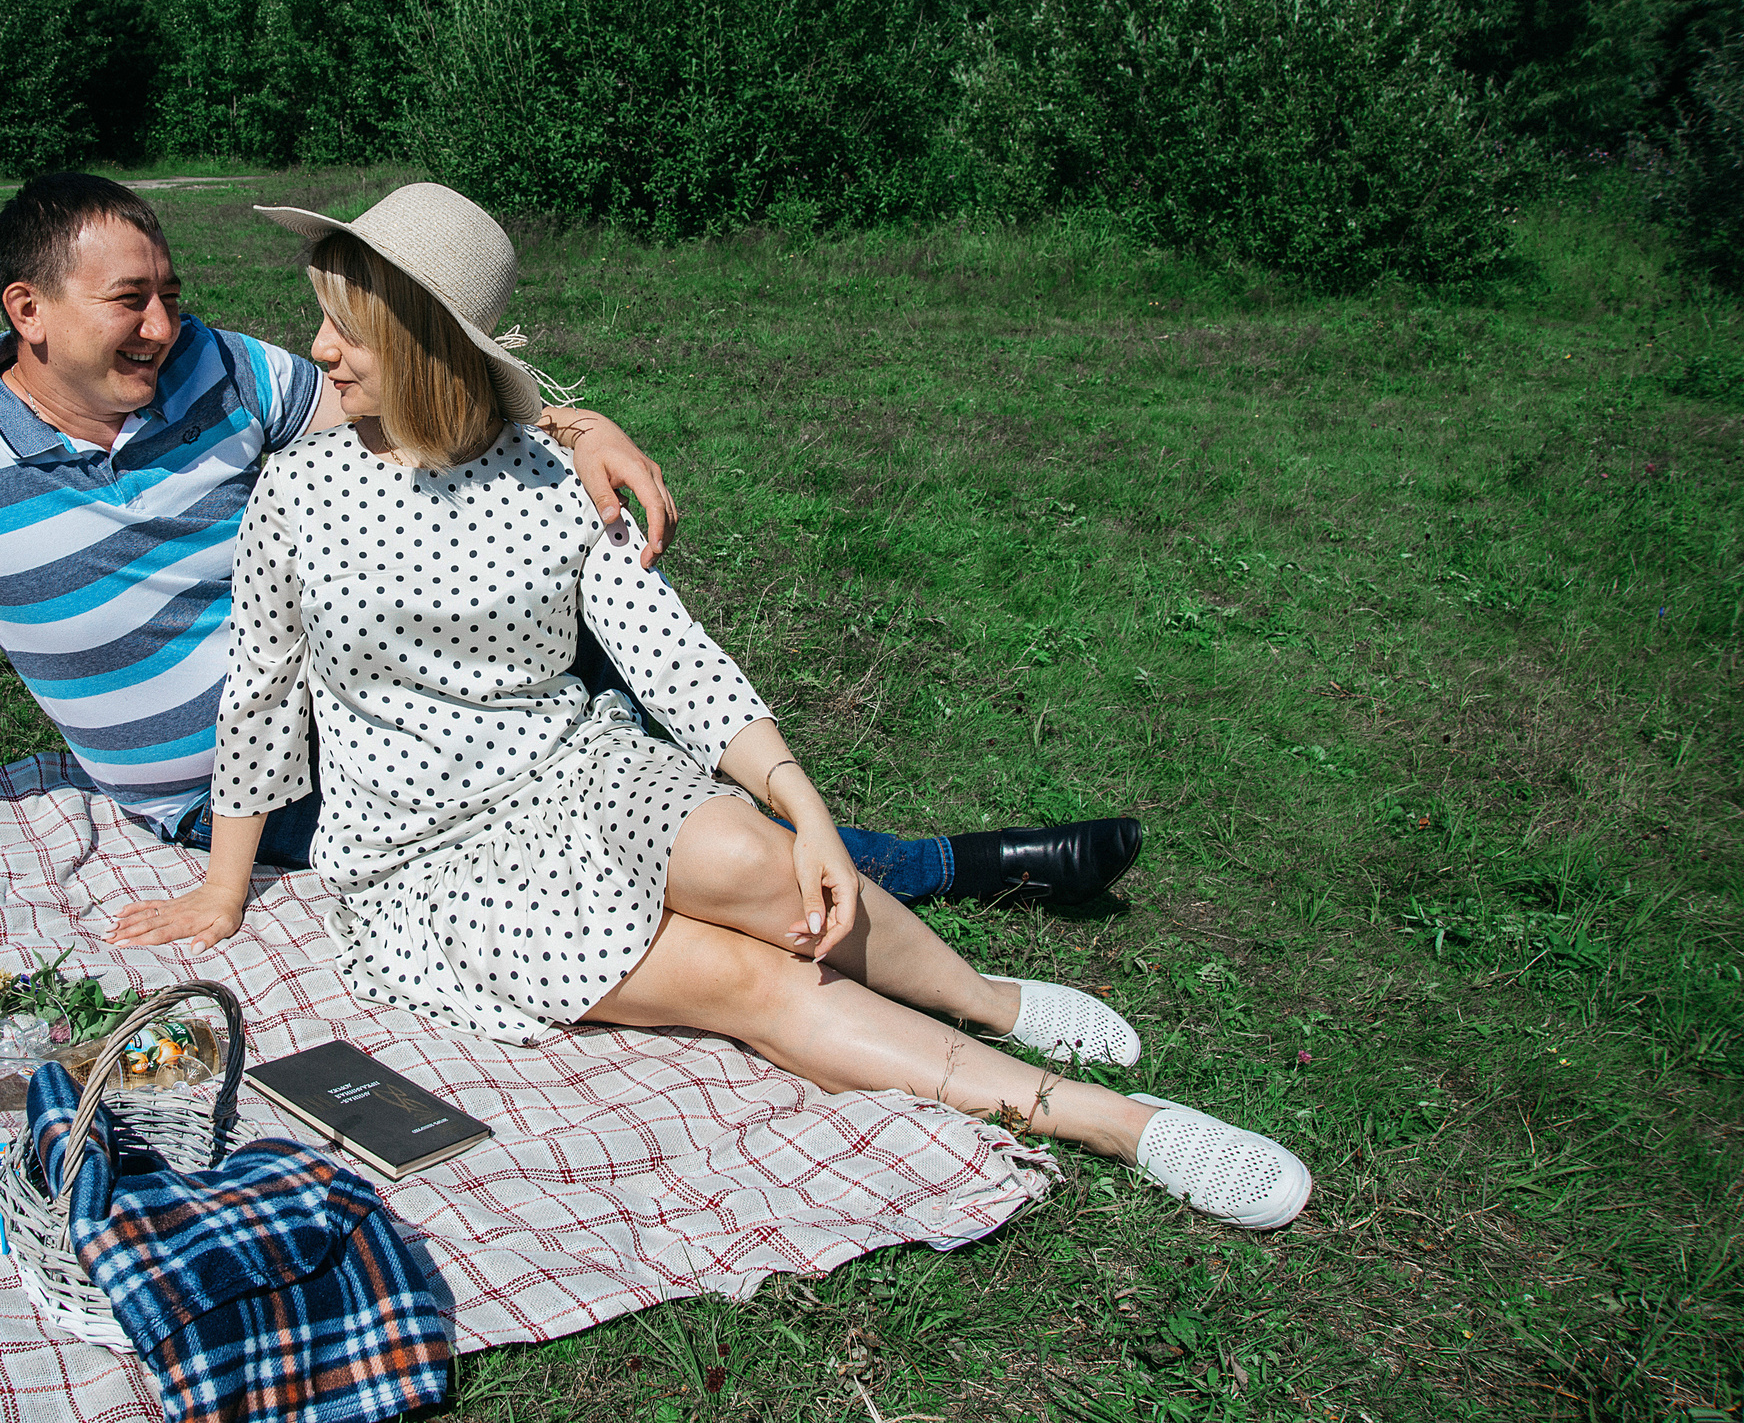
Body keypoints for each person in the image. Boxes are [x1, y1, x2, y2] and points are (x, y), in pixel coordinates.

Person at [0, 175, 1131, 929]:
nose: (175, 322)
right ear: (26, 313)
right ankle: (956, 868)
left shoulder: (225, 379)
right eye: (133, 298)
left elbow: (416, 399)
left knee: (614, 667)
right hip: (264, 785)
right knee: (650, 849)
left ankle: (866, 850)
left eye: (178, 287)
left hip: (406, 685)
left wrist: (576, 422)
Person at [112, 184, 1309, 1228]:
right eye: (319, 315)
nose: (317, 348)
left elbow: (671, 652)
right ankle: (1111, 1121)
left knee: (763, 860)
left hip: (572, 766)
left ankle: (988, 999)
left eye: (347, 324)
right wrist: (223, 888)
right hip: (426, 856)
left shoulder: (550, 476)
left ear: (425, 341)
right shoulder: (298, 488)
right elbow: (260, 696)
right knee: (748, 983)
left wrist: (806, 802)